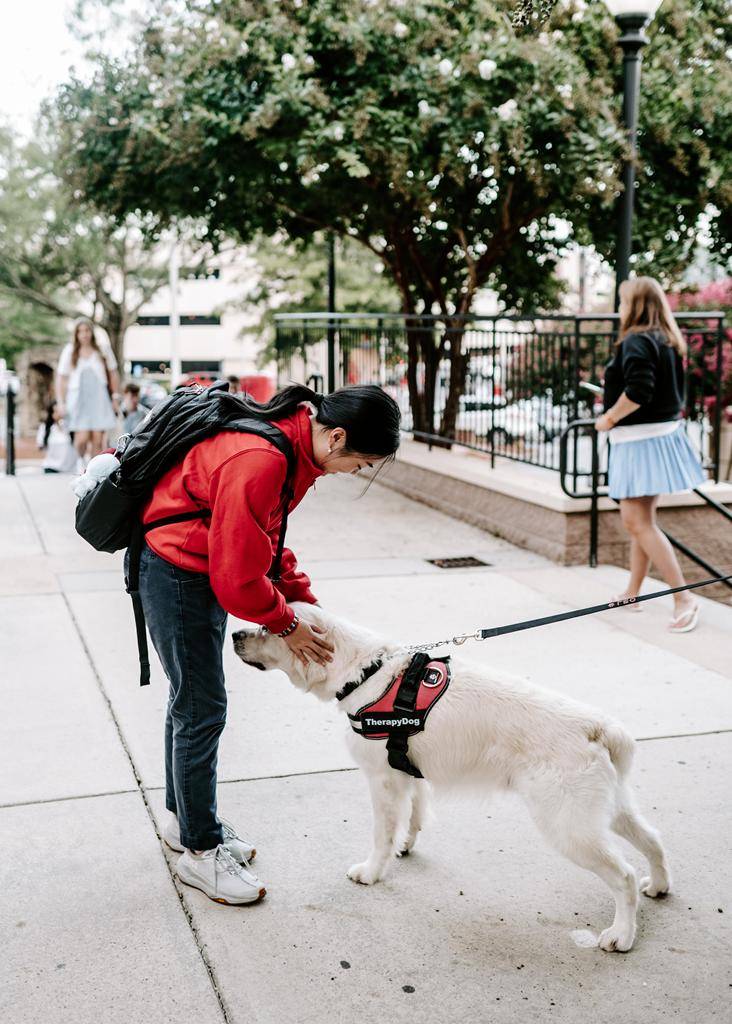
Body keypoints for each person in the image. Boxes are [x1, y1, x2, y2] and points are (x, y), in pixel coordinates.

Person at [128, 383, 401, 905]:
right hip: (178, 570)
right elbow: (238, 579)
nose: (357, 473)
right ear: (337, 437)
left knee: (190, 702)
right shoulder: (262, 458)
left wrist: (306, 605)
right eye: (362, 463)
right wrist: (287, 623)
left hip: (192, 564)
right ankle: (201, 854)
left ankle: (185, 822)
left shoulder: (294, 443)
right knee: (202, 708)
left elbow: (266, 540)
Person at [595, 277, 706, 634]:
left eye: (624, 300)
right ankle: (633, 592)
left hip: (639, 442)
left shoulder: (636, 340)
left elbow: (639, 391)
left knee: (636, 523)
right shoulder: (666, 340)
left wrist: (609, 417)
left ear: (636, 304)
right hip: (659, 438)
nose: (621, 307)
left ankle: (683, 597)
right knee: (644, 522)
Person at [56, 319, 120, 463]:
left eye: (87, 331)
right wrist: (61, 401)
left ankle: (91, 473)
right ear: (76, 334)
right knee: (82, 438)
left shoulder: (102, 350)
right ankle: (80, 461)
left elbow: (113, 373)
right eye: (80, 331)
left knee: (97, 439)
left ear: (91, 332)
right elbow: (61, 378)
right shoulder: (70, 351)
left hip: (99, 397)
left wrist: (115, 397)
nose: (84, 334)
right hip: (78, 399)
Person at [36, 401, 78, 474]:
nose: (58, 414)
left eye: (60, 412)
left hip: (70, 469)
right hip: (51, 467)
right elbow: (40, 446)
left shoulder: (71, 427)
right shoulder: (45, 428)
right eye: (55, 412)